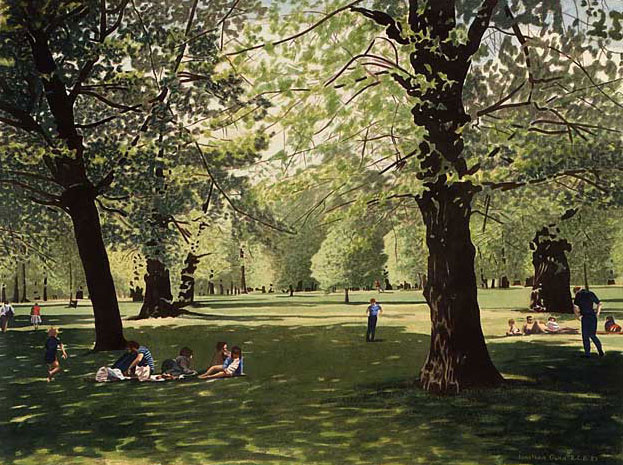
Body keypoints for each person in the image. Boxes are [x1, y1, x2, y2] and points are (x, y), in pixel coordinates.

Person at [573, 286, 604, 358]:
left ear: (576, 291)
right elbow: (599, 303)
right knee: (592, 335)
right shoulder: (591, 293)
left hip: (585, 317)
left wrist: (577, 316)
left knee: (585, 336)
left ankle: (587, 353)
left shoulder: (578, 295)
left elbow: (575, 307)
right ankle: (600, 350)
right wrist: (597, 313)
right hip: (593, 316)